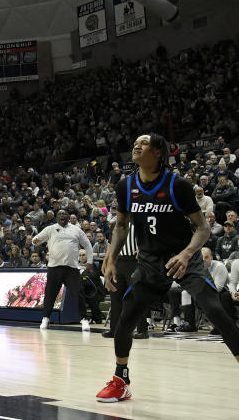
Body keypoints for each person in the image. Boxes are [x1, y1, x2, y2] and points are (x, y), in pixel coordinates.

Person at [96, 133, 239, 403]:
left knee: (216, 310)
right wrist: (111, 257)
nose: (136, 145)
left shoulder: (178, 185)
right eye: (135, 142)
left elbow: (203, 228)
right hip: (150, 261)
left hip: (183, 258)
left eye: (144, 143)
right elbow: (122, 224)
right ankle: (120, 380)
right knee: (125, 319)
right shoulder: (126, 186)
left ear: (158, 152)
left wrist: (186, 254)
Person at [33, 209, 96, 330]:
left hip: (71, 269)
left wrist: (90, 262)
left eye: (64, 214)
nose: (62, 215)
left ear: (68, 217)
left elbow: (87, 245)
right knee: (50, 295)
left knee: (79, 293)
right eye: (60, 214)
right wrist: (34, 240)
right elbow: (37, 239)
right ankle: (45, 318)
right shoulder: (50, 229)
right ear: (56, 217)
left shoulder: (76, 229)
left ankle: (84, 319)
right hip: (54, 268)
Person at [101, 219, 148, 339]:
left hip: (135, 261)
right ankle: (114, 329)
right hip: (118, 262)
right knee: (115, 295)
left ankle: (142, 330)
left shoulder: (140, 221)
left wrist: (143, 248)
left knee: (138, 296)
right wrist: (106, 262)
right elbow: (111, 245)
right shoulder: (115, 225)